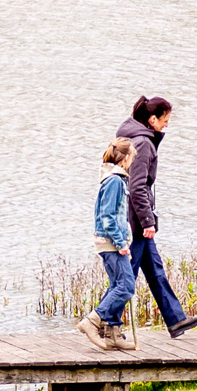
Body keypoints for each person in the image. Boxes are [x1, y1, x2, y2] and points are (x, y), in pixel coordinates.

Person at [116, 96, 197, 338]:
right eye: (165, 120)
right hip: (135, 222)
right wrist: (147, 221)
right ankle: (107, 323)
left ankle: (175, 320)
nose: (166, 125)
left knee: (154, 270)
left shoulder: (136, 137)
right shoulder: (143, 143)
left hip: (134, 218)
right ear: (152, 119)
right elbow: (137, 186)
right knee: (127, 277)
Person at [78, 139, 138, 351]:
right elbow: (108, 217)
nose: (132, 162)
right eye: (132, 157)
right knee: (126, 286)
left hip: (109, 243)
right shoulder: (115, 181)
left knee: (117, 285)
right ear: (125, 159)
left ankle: (113, 334)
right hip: (112, 243)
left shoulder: (113, 179)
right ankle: (93, 321)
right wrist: (121, 243)